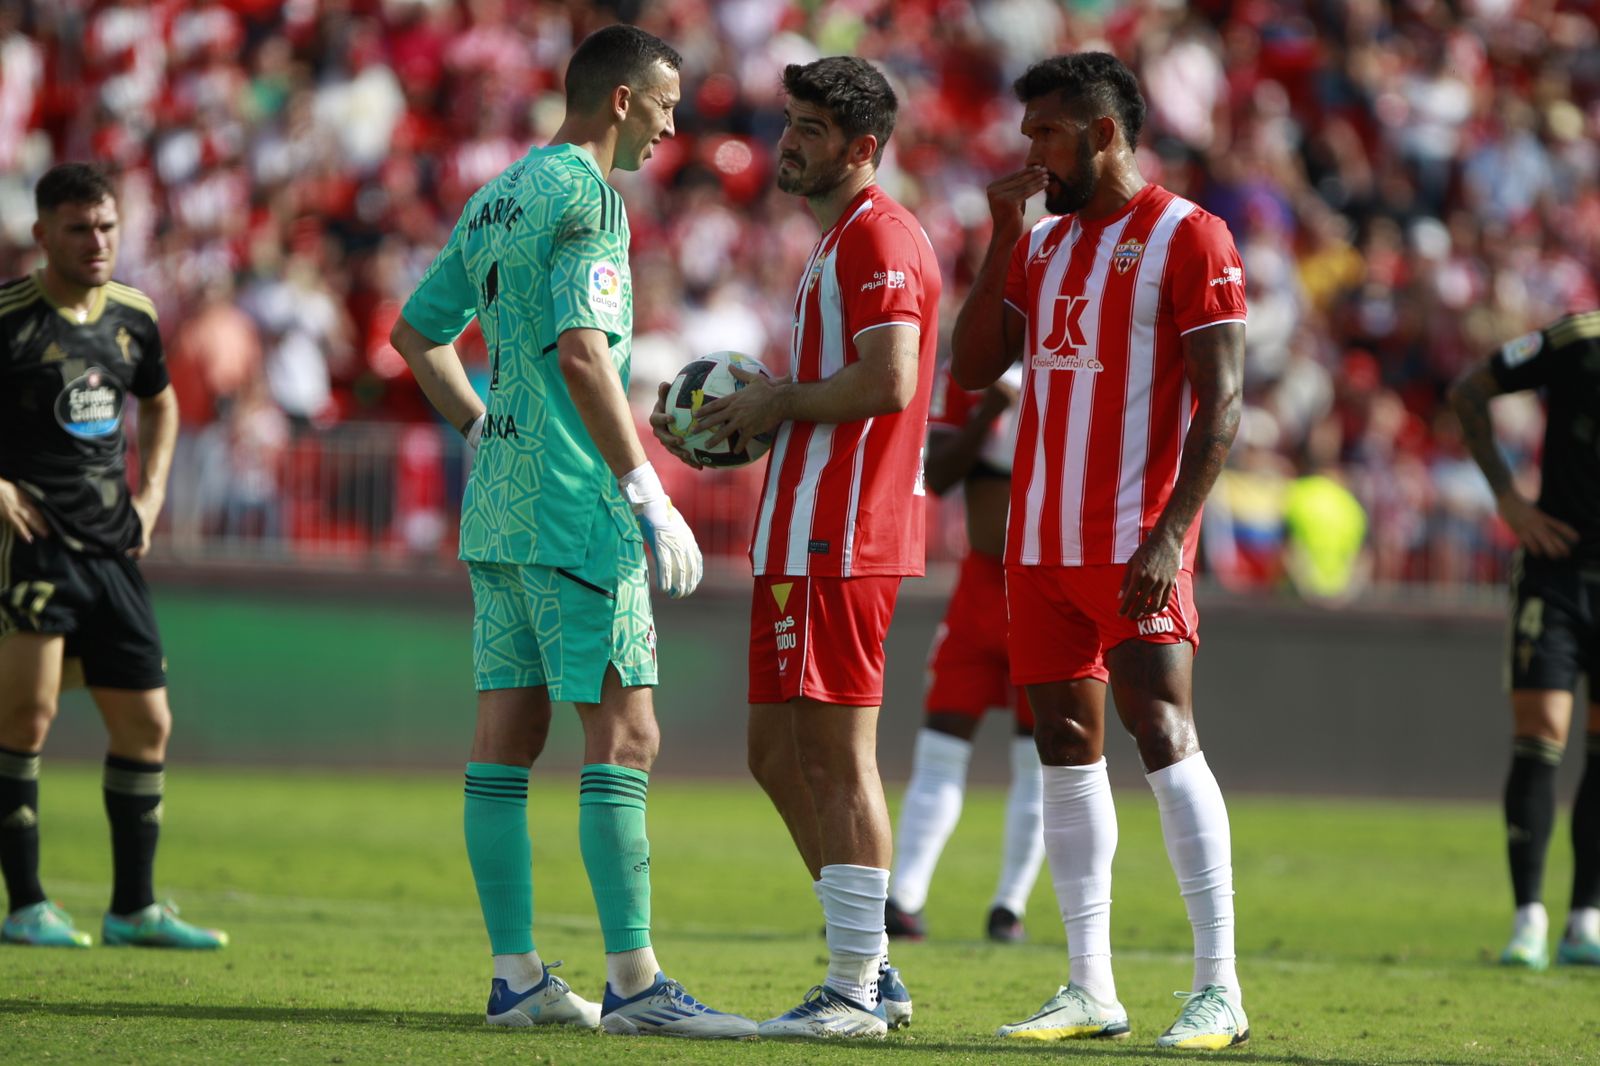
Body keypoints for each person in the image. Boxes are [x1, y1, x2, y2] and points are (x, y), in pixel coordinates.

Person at [388, 25, 753, 1038]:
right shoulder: (591, 197)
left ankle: (517, 976)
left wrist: (483, 429)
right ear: (623, 100)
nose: (673, 126)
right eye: (666, 105)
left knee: (505, 739)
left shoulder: (497, 193)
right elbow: (585, 353)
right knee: (626, 731)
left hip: (498, 508)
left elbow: (415, 333)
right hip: (573, 505)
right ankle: (635, 983)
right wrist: (648, 490)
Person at [951, 52, 1250, 1049]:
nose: (1031, 149)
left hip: (1132, 543)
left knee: (1162, 730)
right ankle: (1090, 986)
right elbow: (971, 366)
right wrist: (1003, 236)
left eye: (1047, 131)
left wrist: (1171, 533)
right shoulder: (1041, 244)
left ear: (1104, 133)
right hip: (1037, 545)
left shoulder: (1189, 234)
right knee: (1064, 748)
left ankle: (1219, 988)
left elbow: (1223, 400)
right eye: (1028, 130)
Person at [652, 56, 940, 1039]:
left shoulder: (880, 235)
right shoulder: (834, 242)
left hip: (842, 531)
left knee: (837, 756)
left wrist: (776, 401)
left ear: (862, 148)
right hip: (798, 532)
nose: (789, 143)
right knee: (774, 752)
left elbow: (891, 379)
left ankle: (853, 985)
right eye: (791, 123)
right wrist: (751, 413)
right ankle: (875, 969)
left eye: (812, 129)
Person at [0, 163, 226, 950]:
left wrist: (153, 494)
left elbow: (160, 402)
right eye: (78, 229)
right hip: (32, 546)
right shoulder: (9, 318)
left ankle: (133, 910)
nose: (96, 242)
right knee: (25, 715)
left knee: (147, 722)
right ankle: (26, 905)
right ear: (42, 234)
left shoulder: (134, 314)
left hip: (113, 548)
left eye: (106, 227)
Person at [1449, 311, 1600, 970]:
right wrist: (1509, 499)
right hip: (1556, 572)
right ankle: (1529, 918)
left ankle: (1586, 919)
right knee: (1542, 735)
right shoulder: (1577, 341)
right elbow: (1469, 390)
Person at [885, 363, 1045, 944]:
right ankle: (904, 898)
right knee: (940, 746)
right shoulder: (975, 372)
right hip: (980, 590)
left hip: (1048, 590)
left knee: (1040, 758)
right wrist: (989, 411)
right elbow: (940, 474)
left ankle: (1010, 906)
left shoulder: (1088, 358)